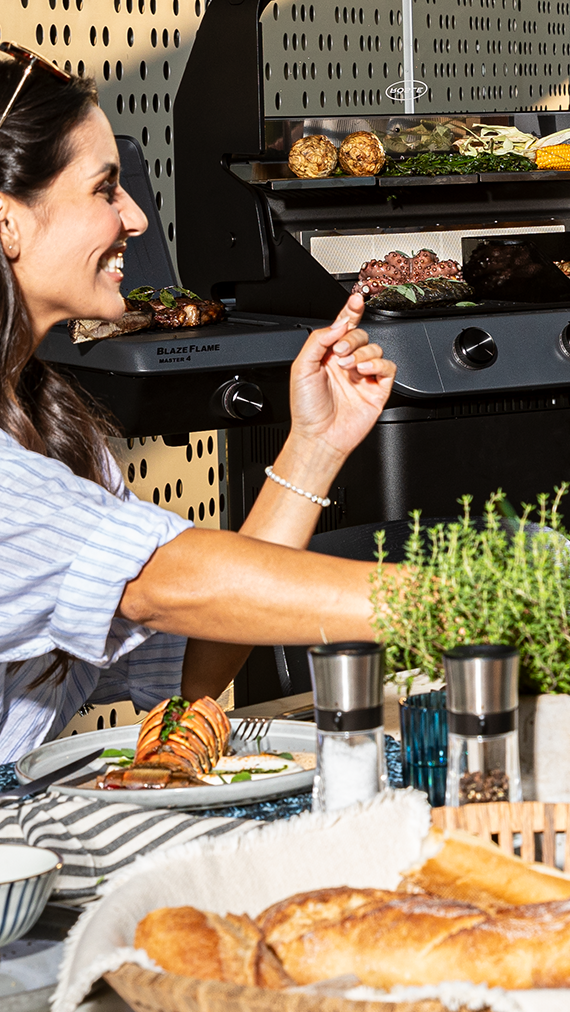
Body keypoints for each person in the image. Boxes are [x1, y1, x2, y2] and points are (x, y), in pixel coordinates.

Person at [0, 47, 398, 762]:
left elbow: (189, 665)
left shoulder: (55, 430)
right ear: (8, 221)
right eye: (105, 189)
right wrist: (475, 599)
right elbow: (164, 585)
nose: (136, 219)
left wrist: (314, 446)